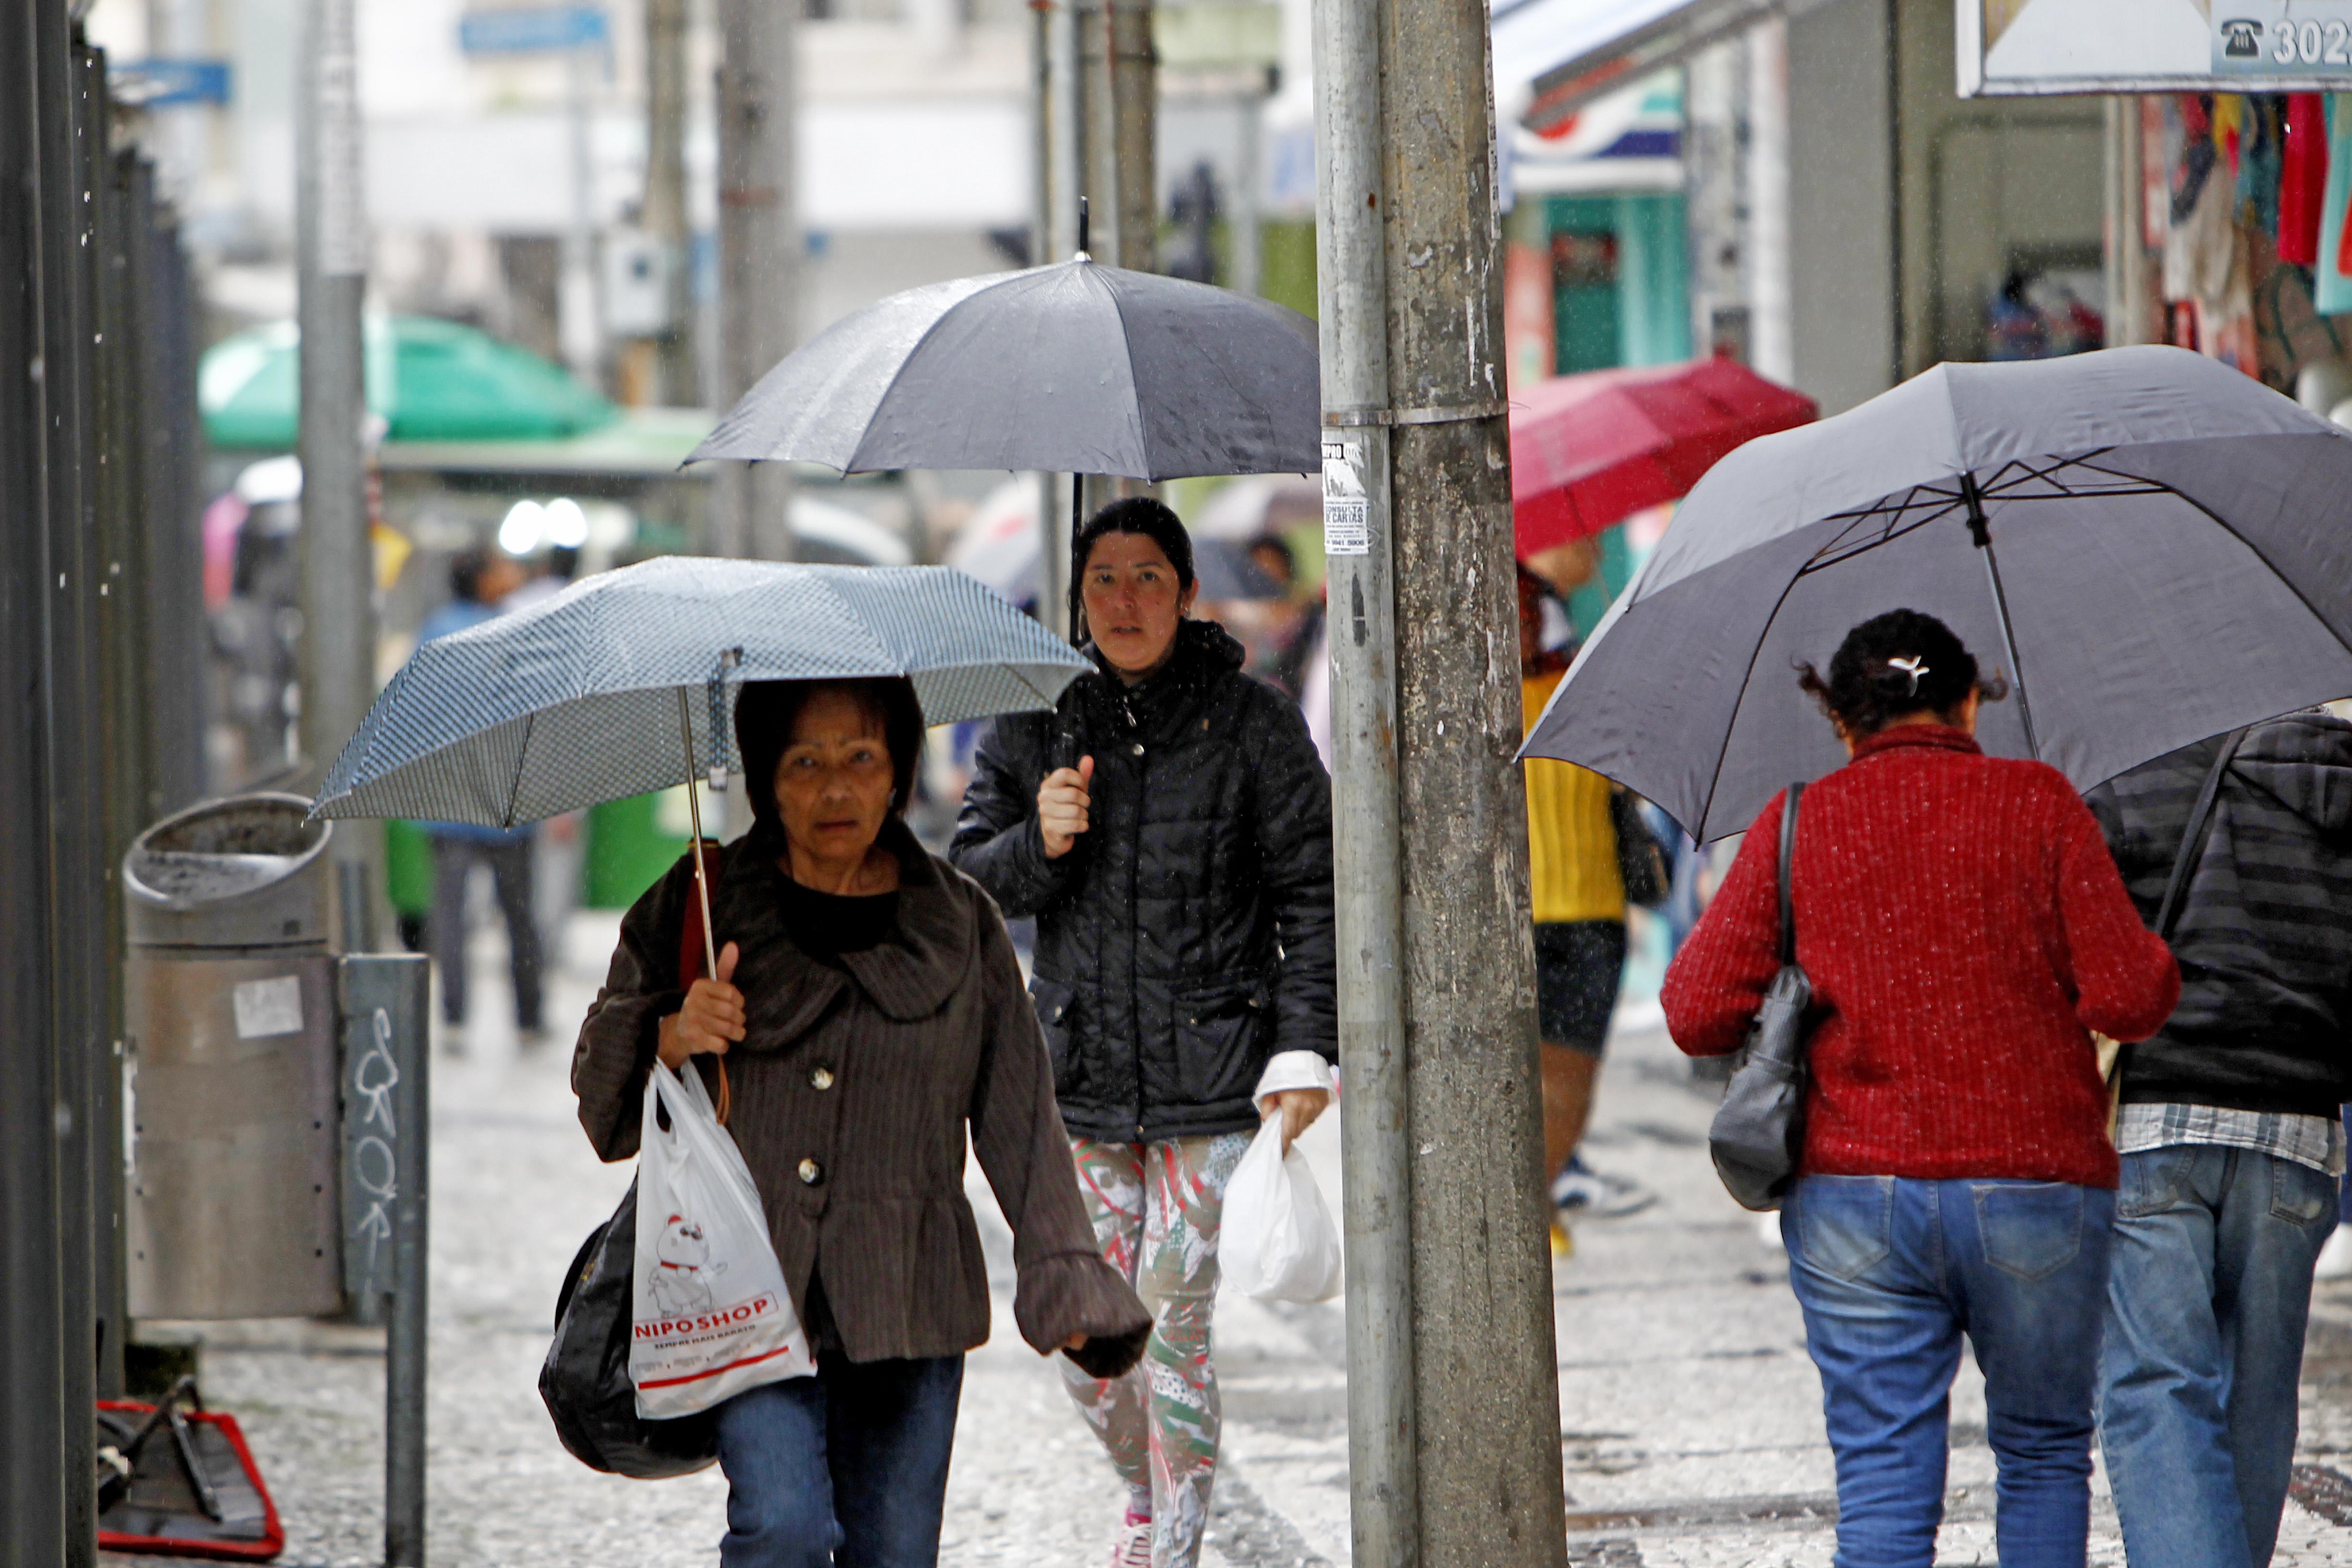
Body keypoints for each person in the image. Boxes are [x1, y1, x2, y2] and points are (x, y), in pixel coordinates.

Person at [572, 676, 1150, 1568]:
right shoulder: (700, 903)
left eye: (861, 757)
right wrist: (672, 1033)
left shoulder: (961, 923)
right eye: (805, 762)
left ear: (898, 772)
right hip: (748, 1294)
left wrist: (1066, 1277)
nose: (835, 787)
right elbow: (602, 1106)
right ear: (767, 778)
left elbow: (1020, 1119)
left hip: (910, 1297)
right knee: (785, 1528)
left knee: (894, 1555)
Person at [1660, 609, 2179, 1568]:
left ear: (1839, 718)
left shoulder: (1797, 820)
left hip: (1854, 1195)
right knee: (2044, 1452)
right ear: (1970, 701)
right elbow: (2129, 997)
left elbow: (1695, 1012)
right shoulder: (2040, 802)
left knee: (1882, 1481)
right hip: (2038, 1185)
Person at [950, 498, 1337, 1568]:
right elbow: (968, 882)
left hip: (1217, 1074)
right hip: (1080, 1079)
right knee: (1088, 1341)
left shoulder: (1254, 721)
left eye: (1148, 578)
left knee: (1173, 1322)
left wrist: (1305, 1050)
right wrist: (1040, 841)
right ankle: (1141, 1489)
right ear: (1078, 597)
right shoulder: (1035, 720)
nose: (1125, 601)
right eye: (1104, 580)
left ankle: (1172, 1547)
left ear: (1186, 590)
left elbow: (1315, 895)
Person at [2085, 708, 2352, 1568]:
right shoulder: (2340, 781)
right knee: (2260, 1393)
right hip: (2298, 1128)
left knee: (2156, 1387)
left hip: (2154, 1121)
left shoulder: (2131, 776)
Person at [1516, 565, 1651, 1246]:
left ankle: (1538, 1197)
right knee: (1514, 1082)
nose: (1514, 623)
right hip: (1506, 924)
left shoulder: (1590, 689)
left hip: (1591, 915)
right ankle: (1521, 1212)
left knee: (1572, 1081)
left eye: (1524, 609)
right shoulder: (1456, 703)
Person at [420, 547, 540, 1048]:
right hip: (506, 803)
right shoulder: (510, 632)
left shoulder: (436, 631)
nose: (512, 574)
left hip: (449, 802)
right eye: (500, 568)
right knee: (518, 914)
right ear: (482, 580)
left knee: (450, 916)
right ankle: (529, 1014)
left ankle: (454, 1014)